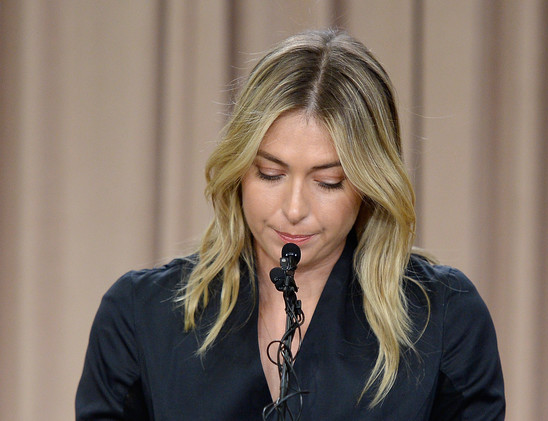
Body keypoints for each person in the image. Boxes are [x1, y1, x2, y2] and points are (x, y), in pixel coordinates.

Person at [76, 29, 505, 420]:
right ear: (239, 168)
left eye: (328, 182)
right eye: (270, 174)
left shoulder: (444, 317)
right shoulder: (139, 315)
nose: (294, 208)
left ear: (370, 185)